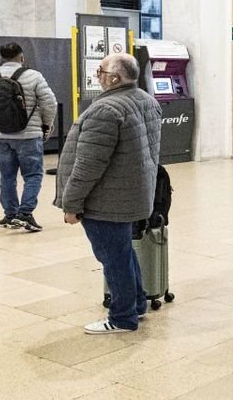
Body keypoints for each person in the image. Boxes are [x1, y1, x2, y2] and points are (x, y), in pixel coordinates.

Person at [54, 53, 162, 334]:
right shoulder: (147, 101)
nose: (97, 75)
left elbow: (88, 165)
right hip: (131, 195)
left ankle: (122, 317)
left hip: (106, 201)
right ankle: (136, 303)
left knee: (113, 259)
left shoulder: (105, 110)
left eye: (100, 70)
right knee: (123, 253)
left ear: (115, 78)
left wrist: (71, 203)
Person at [0, 42, 58, 232]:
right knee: (33, 175)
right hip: (29, 136)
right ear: (22, 57)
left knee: (7, 176)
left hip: (1, 136)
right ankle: (25, 213)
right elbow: (50, 102)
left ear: (1, 58)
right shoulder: (34, 76)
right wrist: (46, 124)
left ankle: (10, 215)